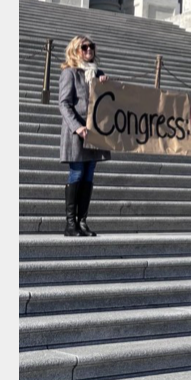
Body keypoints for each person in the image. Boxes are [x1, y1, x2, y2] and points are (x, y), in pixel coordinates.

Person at [58, 35, 111, 237]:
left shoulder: (99, 73)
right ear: (76, 50)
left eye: (91, 47)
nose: (89, 50)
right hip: (77, 133)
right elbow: (63, 103)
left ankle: (82, 221)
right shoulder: (70, 73)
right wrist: (77, 127)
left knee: (89, 176)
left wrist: (105, 84)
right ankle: (70, 224)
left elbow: (108, 102)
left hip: (95, 132)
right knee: (77, 173)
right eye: (84, 47)